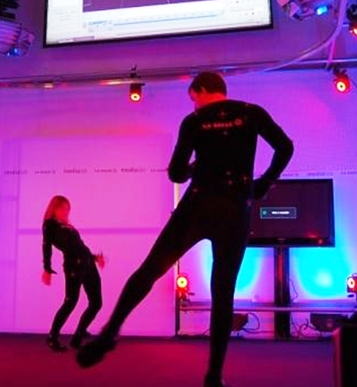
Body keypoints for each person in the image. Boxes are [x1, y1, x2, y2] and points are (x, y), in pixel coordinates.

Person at [76, 72, 294, 387]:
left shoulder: (193, 122)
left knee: (149, 270)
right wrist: (264, 183)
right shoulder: (251, 113)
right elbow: (285, 147)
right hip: (235, 209)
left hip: (197, 206)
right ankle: (214, 376)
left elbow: (176, 174)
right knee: (223, 293)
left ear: (202, 90)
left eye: (193, 98)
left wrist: (195, 167)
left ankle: (109, 333)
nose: (194, 105)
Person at [42, 195, 105, 352]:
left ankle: (78, 336)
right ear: (54, 208)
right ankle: (52, 337)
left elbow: (80, 246)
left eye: (68, 209)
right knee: (70, 302)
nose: (66, 211)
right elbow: (46, 246)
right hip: (73, 267)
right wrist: (47, 268)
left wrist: (94, 257)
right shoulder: (50, 225)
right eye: (62, 208)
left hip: (88, 264)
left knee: (96, 303)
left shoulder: (68, 226)